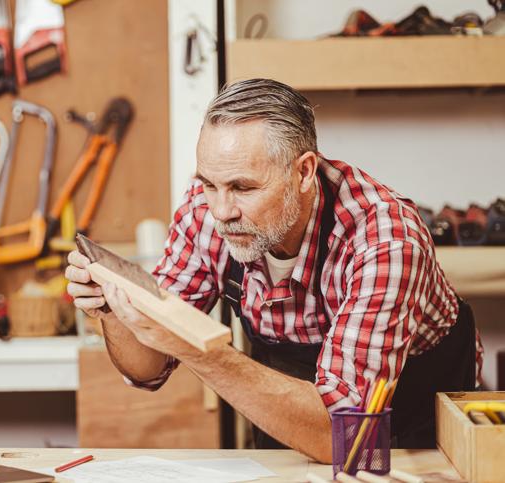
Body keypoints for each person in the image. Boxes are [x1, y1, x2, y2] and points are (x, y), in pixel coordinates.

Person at [65, 79, 480, 462]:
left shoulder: (384, 240)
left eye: (244, 188)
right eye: (209, 183)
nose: (222, 211)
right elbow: (148, 369)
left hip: (413, 427)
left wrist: (198, 350)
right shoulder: (205, 211)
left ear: (303, 172)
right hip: (298, 419)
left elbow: (349, 436)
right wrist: (111, 309)